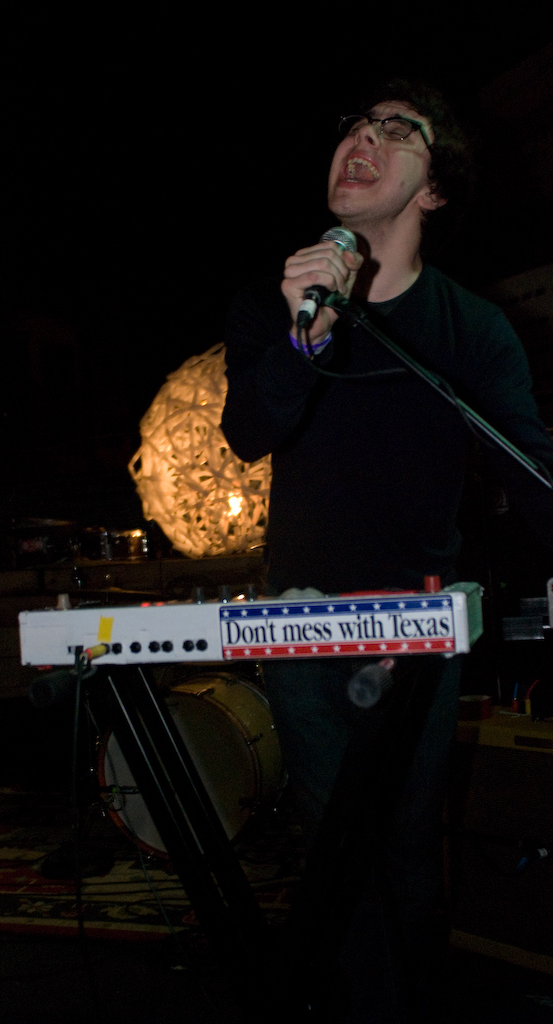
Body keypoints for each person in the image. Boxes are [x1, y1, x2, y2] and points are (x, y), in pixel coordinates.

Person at [221, 79, 553, 1023]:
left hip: (415, 627)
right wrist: (306, 334)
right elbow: (248, 430)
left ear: (433, 190)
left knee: (404, 845)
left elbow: (530, 469)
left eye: (396, 131)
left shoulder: (469, 329)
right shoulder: (275, 303)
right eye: (354, 127)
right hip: (301, 620)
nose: (361, 141)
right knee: (334, 847)